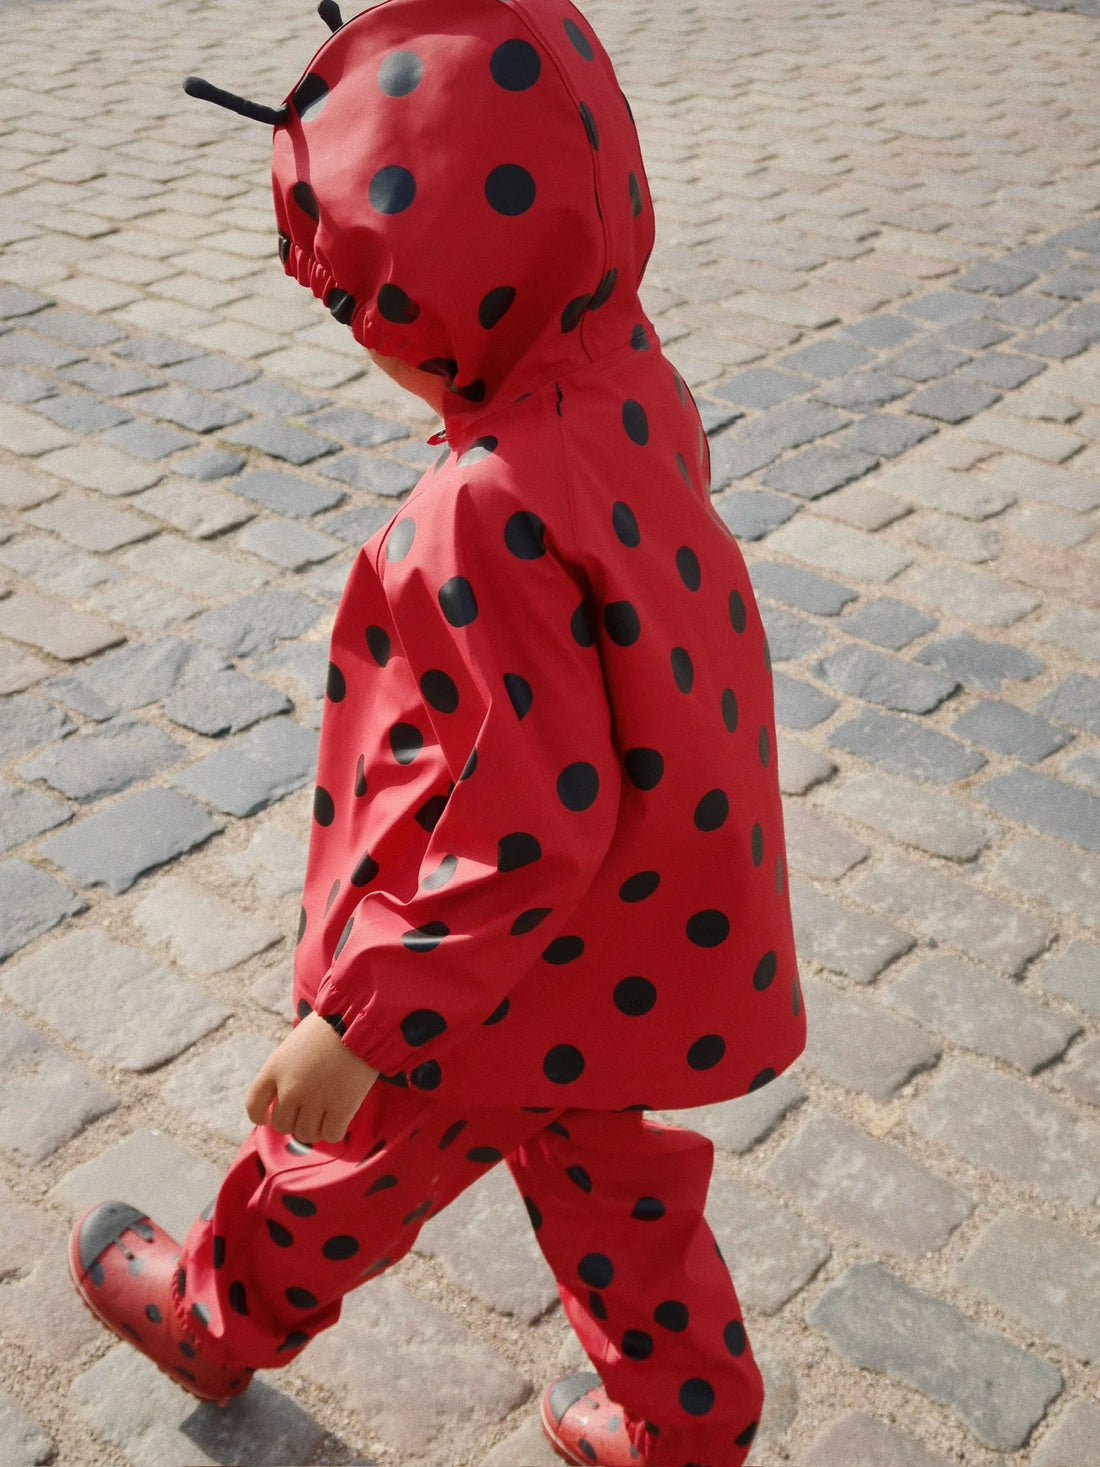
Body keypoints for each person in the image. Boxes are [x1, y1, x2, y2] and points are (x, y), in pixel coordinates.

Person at [68, 1, 805, 1462]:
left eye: (366, 309)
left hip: (481, 978)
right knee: (615, 1194)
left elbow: (531, 812)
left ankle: (213, 1320)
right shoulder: (626, 373)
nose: (372, 347)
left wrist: (364, 1021)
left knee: (334, 1165)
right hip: (633, 947)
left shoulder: (481, 506)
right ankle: (685, 1419)